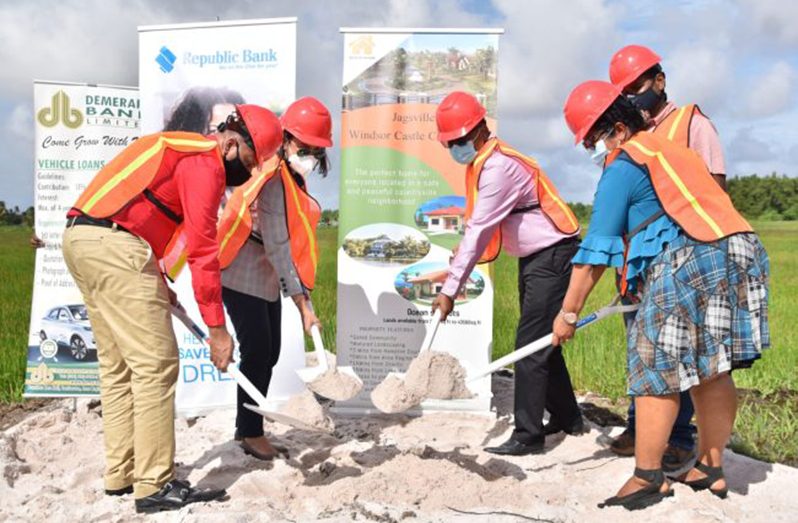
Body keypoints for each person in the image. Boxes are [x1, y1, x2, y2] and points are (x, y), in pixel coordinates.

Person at [558, 80, 770, 510]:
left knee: (655, 366)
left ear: (616, 128)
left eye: (593, 141)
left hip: (694, 255)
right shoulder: (673, 149)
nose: (593, 152)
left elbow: (596, 250)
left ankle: (647, 477)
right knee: (713, 368)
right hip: (741, 246)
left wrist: (568, 312)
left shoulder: (624, 164)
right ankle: (710, 469)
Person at [62, 104, 283, 513]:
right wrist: (218, 328)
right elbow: (202, 250)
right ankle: (154, 485)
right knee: (156, 365)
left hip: (85, 239)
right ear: (233, 144)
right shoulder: (206, 163)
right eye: (252, 163)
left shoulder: (184, 151)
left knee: (119, 366)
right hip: (115, 245)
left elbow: (141, 211)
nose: (251, 175)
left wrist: (159, 282)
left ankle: (123, 473)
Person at [430, 91, 584, 456]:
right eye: (450, 142)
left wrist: (450, 290)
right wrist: (460, 257)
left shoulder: (498, 167)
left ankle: (528, 435)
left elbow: (481, 227)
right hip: (536, 258)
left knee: (528, 347)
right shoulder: (484, 162)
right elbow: (481, 226)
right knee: (543, 342)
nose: (455, 147)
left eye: (459, 140)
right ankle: (568, 418)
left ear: (480, 129)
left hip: (553, 256)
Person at [607, 44, 730, 470]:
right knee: (639, 348)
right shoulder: (630, 136)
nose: (632, 96)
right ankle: (639, 425)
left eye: (637, 86)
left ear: (659, 80)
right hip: (638, 263)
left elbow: (714, 194)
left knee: (676, 352)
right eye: (623, 92)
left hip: (682, 261)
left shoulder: (691, 124)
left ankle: (679, 436)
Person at [215, 96, 331, 460]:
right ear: (286, 139)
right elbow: (279, 244)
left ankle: (249, 428)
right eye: (305, 146)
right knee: (258, 351)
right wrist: (303, 304)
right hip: (242, 270)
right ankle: (249, 432)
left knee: (271, 351)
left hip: (264, 272)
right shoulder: (273, 177)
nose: (310, 154)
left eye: (316, 149)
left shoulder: (292, 176)